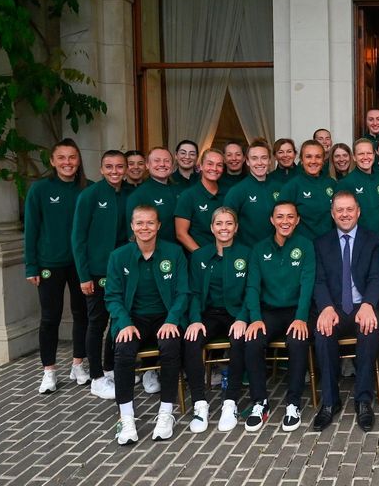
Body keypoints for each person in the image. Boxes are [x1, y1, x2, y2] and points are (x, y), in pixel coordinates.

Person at [106, 205, 189, 444]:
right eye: (140, 223)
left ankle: (165, 413)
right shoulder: (118, 256)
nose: (145, 227)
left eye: (150, 223)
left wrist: (172, 320)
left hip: (165, 316)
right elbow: (112, 296)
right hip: (132, 319)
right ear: (132, 226)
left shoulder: (174, 253)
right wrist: (124, 323)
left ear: (159, 226)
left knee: (171, 346)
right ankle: (126, 417)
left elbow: (183, 292)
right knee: (123, 349)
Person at [312, 191, 379, 432]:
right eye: (339, 210)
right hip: (335, 307)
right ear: (332, 214)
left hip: (362, 305)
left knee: (369, 331)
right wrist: (326, 307)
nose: (345, 214)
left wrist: (368, 304)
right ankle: (330, 402)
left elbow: (376, 278)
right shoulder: (321, 243)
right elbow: (319, 281)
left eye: (349, 209)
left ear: (358, 211)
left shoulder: (373, 240)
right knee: (322, 334)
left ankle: (364, 400)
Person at [243, 201, 315, 433]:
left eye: (290, 217)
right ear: (272, 220)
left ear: (297, 220)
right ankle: (259, 402)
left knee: (297, 340)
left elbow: (307, 283)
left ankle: (293, 403)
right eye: (280, 217)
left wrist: (302, 317)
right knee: (253, 340)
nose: (285, 221)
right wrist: (255, 318)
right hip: (269, 312)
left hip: (297, 311)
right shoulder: (259, 248)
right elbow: (252, 287)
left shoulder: (305, 246)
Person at [24, 138, 89, 394]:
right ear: (52, 161)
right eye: (61, 158)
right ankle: (49, 371)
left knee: (82, 314)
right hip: (49, 263)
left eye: (72, 157)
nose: (67, 163)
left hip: (80, 264)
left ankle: (78, 363)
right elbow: (31, 229)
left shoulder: (88, 189)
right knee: (50, 318)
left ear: (78, 160)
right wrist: (31, 266)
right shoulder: (39, 190)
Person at [182, 207, 252, 433]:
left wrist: (242, 318)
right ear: (212, 228)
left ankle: (230, 403)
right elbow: (192, 292)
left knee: (240, 339)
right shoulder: (200, 256)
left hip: (236, 314)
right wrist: (194, 319)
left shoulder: (246, 253)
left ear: (236, 227)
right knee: (192, 341)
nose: (224, 228)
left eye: (229, 223)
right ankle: (200, 405)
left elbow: (252, 290)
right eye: (219, 223)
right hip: (208, 315)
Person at [72, 149, 131, 401]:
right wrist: (84, 275)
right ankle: (96, 377)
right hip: (96, 271)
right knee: (97, 322)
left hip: (123, 270)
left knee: (117, 321)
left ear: (126, 169)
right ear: (101, 169)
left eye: (119, 167)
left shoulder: (129, 193)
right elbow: (78, 237)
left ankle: (109, 369)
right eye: (109, 167)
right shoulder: (90, 195)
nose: (115, 171)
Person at [223, 139, 281, 248]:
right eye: (254, 158)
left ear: (269, 160)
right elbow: (226, 225)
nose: (259, 163)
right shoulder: (237, 191)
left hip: (276, 251)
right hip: (249, 253)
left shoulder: (280, 188)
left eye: (264, 158)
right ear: (248, 161)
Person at [277, 140, 336, 240]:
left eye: (318, 157)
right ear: (301, 160)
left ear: (323, 160)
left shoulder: (332, 184)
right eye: (308, 156)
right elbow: (281, 220)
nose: (313, 161)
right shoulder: (292, 186)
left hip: (329, 245)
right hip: (302, 247)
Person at [337, 138, 379, 238]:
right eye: (361, 154)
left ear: (374, 155)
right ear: (354, 157)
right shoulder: (346, 183)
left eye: (369, 153)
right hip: (357, 240)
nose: (365, 157)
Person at [175, 148, 225, 254]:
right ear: (201, 166)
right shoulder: (188, 195)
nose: (214, 168)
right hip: (201, 259)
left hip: (226, 256)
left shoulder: (228, 193)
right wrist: (202, 255)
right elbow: (181, 233)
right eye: (210, 164)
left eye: (219, 165)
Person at [126, 147, 180, 243]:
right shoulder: (138, 196)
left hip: (182, 253)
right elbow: (133, 235)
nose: (162, 164)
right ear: (147, 164)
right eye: (157, 161)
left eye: (167, 161)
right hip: (157, 253)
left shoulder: (180, 190)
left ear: (172, 165)